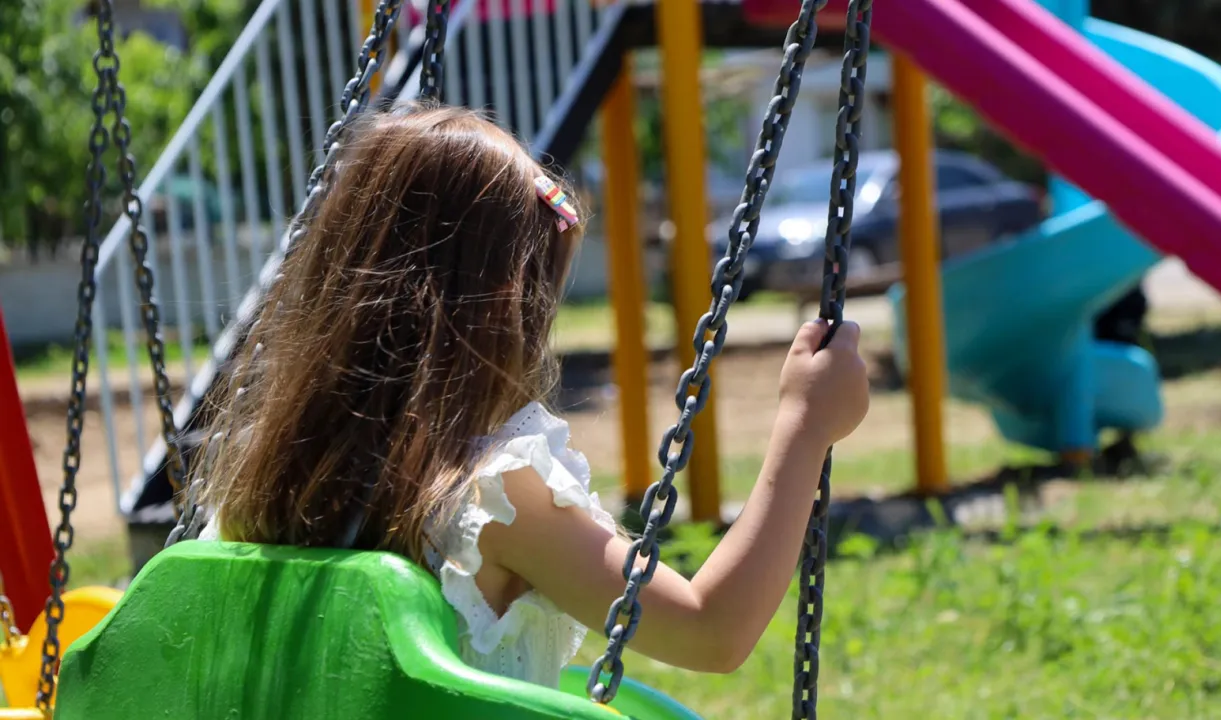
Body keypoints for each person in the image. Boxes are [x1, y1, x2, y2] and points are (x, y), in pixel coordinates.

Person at [195, 104, 870, 688]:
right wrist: (804, 426)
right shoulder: (492, 499)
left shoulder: (263, 479)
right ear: (497, 307)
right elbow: (710, 632)